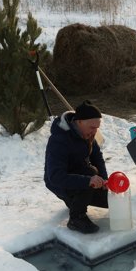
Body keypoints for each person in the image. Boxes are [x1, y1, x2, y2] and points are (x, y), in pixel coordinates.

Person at [44, 100, 108, 234]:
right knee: (91, 174)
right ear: (79, 122)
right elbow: (55, 176)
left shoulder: (89, 134)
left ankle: (74, 201)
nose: (95, 131)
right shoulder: (59, 140)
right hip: (58, 182)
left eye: (97, 127)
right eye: (92, 127)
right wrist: (88, 181)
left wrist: (104, 180)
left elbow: (97, 157)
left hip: (79, 174)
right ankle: (76, 218)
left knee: (107, 198)